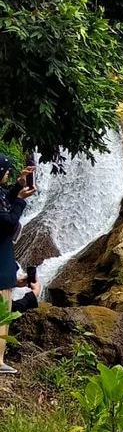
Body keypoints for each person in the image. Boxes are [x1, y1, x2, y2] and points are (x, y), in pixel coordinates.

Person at [0, 154, 36, 375]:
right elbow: (5, 222)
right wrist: (21, 200)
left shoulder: (1, 193)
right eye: (5, 170)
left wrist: (19, 186)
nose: (7, 173)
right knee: (2, 315)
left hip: (4, 268)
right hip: (0, 271)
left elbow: (3, 199)